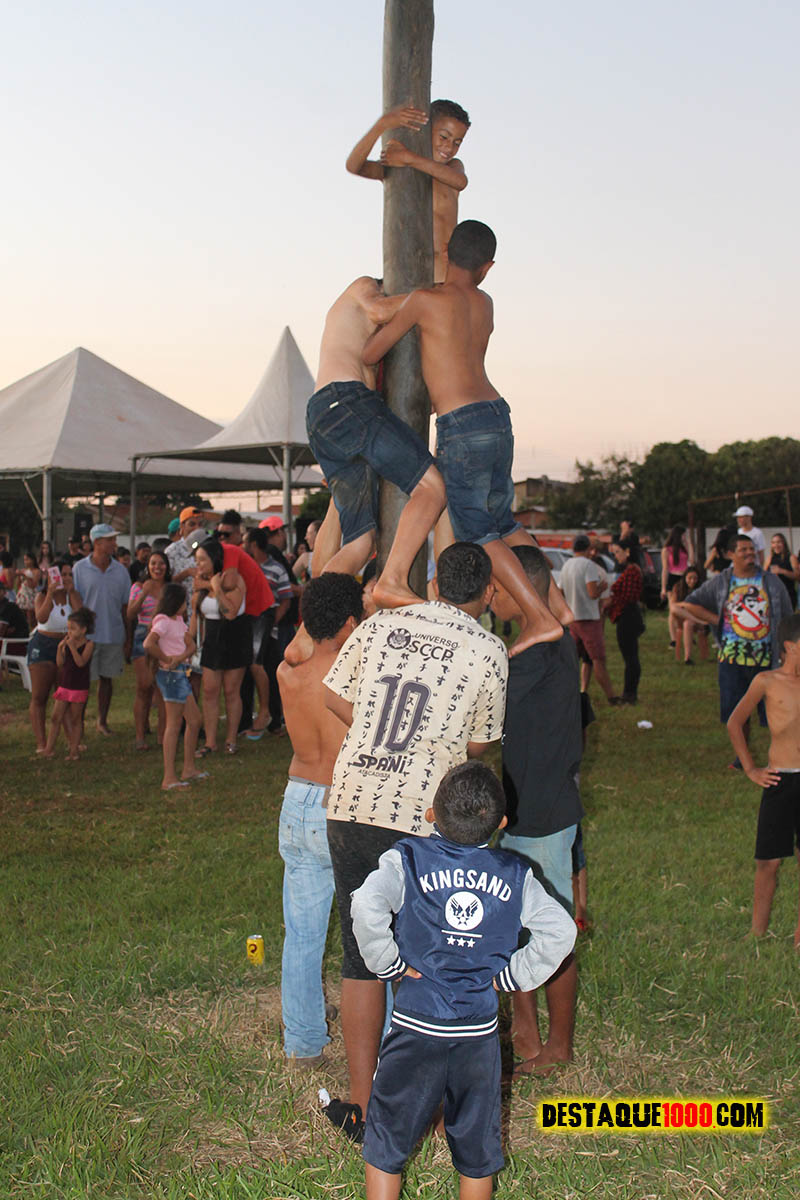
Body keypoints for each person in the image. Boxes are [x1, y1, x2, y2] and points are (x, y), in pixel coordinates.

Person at [321, 542, 508, 1136]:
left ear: (431, 584)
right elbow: (481, 744)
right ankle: (421, 1103)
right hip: (424, 814)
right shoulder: (488, 649)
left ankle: (362, 1104)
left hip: (354, 798)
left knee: (360, 952)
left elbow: (333, 694)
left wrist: (375, 736)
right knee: (427, 954)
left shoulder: (381, 623)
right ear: (489, 592)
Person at [350, 761, 576, 1195]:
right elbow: (561, 932)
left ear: (430, 813)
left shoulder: (407, 858)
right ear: (502, 823)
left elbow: (365, 905)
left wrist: (387, 963)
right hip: (478, 1033)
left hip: (416, 1025)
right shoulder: (516, 874)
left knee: (386, 1143)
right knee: (476, 1152)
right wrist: (513, 976)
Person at [363, 220, 564, 651]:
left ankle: (541, 618)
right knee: (505, 523)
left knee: (478, 531)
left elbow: (371, 352)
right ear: (487, 267)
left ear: (445, 253)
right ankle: (559, 605)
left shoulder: (424, 300)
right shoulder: (485, 303)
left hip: (461, 424)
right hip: (497, 415)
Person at [489, 545, 582, 1076]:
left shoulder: (537, 653)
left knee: (553, 932)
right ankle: (524, 1028)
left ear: (520, 589)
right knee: (513, 924)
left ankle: (559, 1046)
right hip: (523, 807)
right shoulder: (550, 635)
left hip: (544, 815)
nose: (490, 596)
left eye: (497, 587)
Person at [306, 276, 446, 605]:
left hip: (327, 416)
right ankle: (393, 580)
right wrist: (432, 297)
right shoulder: (364, 286)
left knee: (360, 542)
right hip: (345, 401)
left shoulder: (360, 336)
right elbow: (379, 309)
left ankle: (315, 626)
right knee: (433, 487)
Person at [276, 573, 364, 1065]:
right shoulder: (359, 674)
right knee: (368, 933)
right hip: (347, 805)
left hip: (298, 798)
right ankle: (379, 1036)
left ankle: (304, 1041)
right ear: (351, 623)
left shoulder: (288, 673)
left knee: (303, 934)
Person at [675, 534, 792, 768]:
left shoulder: (771, 582)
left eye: (752, 549)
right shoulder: (722, 582)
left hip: (766, 658)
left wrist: (787, 652)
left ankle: (784, 756)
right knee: (737, 711)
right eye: (743, 550)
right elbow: (689, 603)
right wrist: (716, 619)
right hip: (732, 658)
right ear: (730, 554)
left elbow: (788, 617)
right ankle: (742, 758)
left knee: (776, 711)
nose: (750, 553)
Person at [727, 613, 800, 946]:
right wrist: (751, 768)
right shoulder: (767, 681)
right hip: (779, 780)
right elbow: (735, 722)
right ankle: (757, 932)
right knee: (768, 861)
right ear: (790, 646)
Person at [346, 99, 470, 284]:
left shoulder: (452, 167)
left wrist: (409, 158)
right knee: (363, 287)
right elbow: (354, 166)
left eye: (457, 143)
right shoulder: (399, 169)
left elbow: (460, 181)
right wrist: (382, 125)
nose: (449, 147)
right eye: (444, 137)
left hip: (445, 278)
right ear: (426, 130)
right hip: (407, 277)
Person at [191, 537, 250, 756]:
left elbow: (231, 612)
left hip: (234, 636)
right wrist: (189, 640)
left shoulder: (234, 580)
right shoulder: (199, 583)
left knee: (231, 691)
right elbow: (196, 616)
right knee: (209, 691)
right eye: (197, 560)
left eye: (202, 560)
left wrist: (215, 587)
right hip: (212, 639)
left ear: (215, 559)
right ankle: (210, 742)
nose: (198, 565)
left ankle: (231, 740)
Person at [144, 583, 206, 791]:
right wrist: (166, 659)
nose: (185, 605)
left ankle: (188, 768)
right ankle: (169, 777)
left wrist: (178, 658)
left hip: (180, 673)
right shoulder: (162, 621)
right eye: (183, 601)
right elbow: (148, 644)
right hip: (171, 676)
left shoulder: (178, 621)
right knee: (174, 724)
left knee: (194, 720)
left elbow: (190, 644)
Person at [71, 524, 131, 735]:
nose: (114, 543)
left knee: (107, 679)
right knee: (83, 682)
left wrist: (128, 637)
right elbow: (74, 600)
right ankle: (78, 724)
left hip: (113, 633)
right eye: (110, 539)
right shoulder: (79, 569)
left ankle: (102, 721)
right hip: (87, 636)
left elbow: (125, 607)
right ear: (97, 542)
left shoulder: (121, 571)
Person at [27, 561, 82, 752]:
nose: (64, 578)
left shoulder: (72, 596)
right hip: (43, 645)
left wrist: (71, 592)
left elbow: (81, 617)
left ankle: (70, 739)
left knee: (64, 694)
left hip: (65, 646)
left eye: (68, 575)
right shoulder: (42, 596)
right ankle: (41, 743)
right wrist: (50, 593)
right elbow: (41, 617)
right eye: (61, 575)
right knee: (39, 696)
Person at [559, 535, 619, 704]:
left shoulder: (566, 565)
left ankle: (566, 694)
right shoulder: (588, 565)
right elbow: (592, 593)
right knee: (598, 659)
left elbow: (560, 592)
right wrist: (601, 588)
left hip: (572, 619)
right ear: (588, 549)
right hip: (589, 619)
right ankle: (611, 697)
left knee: (572, 660)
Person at [128, 550, 170, 750]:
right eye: (153, 563)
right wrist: (144, 593)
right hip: (143, 635)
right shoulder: (138, 587)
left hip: (165, 638)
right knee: (144, 686)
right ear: (147, 567)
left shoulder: (171, 589)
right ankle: (140, 736)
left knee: (162, 690)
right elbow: (130, 614)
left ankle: (162, 736)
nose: (157, 567)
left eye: (161, 564)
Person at [43, 607, 95, 760]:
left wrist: (72, 647)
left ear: (83, 630)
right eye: (68, 628)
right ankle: (48, 749)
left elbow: (81, 662)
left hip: (79, 686)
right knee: (55, 717)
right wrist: (60, 649)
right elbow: (60, 663)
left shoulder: (89, 644)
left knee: (75, 719)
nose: (69, 632)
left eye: (73, 628)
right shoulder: (67, 644)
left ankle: (74, 750)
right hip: (64, 685)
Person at [608, 539, 645, 700]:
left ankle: (629, 693)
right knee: (630, 656)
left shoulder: (632, 571)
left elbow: (627, 597)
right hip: (628, 615)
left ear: (627, 552)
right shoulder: (632, 570)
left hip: (628, 616)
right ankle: (629, 692)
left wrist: (611, 600)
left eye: (618, 552)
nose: (616, 556)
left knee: (630, 657)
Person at [165, 507, 211, 604]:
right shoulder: (172, 551)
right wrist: (186, 573)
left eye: (200, 524)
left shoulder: (209, 546)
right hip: (182, 608)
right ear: (182, 526)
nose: (196, 528)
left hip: (206, 607)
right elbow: (164, 583)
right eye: (192, 524)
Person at [669, 566, 709, 666]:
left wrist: (688, 608)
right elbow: (672, 604)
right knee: (674, 609)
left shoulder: (701, 589)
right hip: (683, 619)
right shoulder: (678, 587)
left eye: (695, 578)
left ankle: (687, 658)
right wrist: (685, 605)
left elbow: (703, 608)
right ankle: (687, 657)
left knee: (688, 623)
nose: (692, 581)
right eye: (690, 578)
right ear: (685, 578)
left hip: (697, 620)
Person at [661, 526, 691, 648]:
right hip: (673, 578)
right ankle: (673, 639)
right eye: (683, 535)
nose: (684, 537)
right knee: (673, 609)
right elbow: (665, 569)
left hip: (685, 578)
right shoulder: (666, 550)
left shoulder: (684, 549)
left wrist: (688, 544)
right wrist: (663, 588)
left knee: (687, 608)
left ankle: (687, 634)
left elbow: (692, 560)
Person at [765, 533, 799, 610]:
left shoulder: (791, 557)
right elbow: (763, 576)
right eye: (773, 543)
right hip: (773, 595)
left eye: (778, 542)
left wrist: (782, 571)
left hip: (788, 594)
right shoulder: (769, 558)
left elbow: (797, 576)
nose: (776, 545)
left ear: (784, 543)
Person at [15, 553, 42, 631]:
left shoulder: (37, 571)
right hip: (23, 594)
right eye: (24, 560)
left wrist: (25, 575)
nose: (25, 562)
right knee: (21, 616)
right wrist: (19, 576)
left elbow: (33, 585)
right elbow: (18, 584)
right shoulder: (24, 570)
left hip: (31, 595)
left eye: (27, 559)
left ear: (32, 560)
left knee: (31, 618)